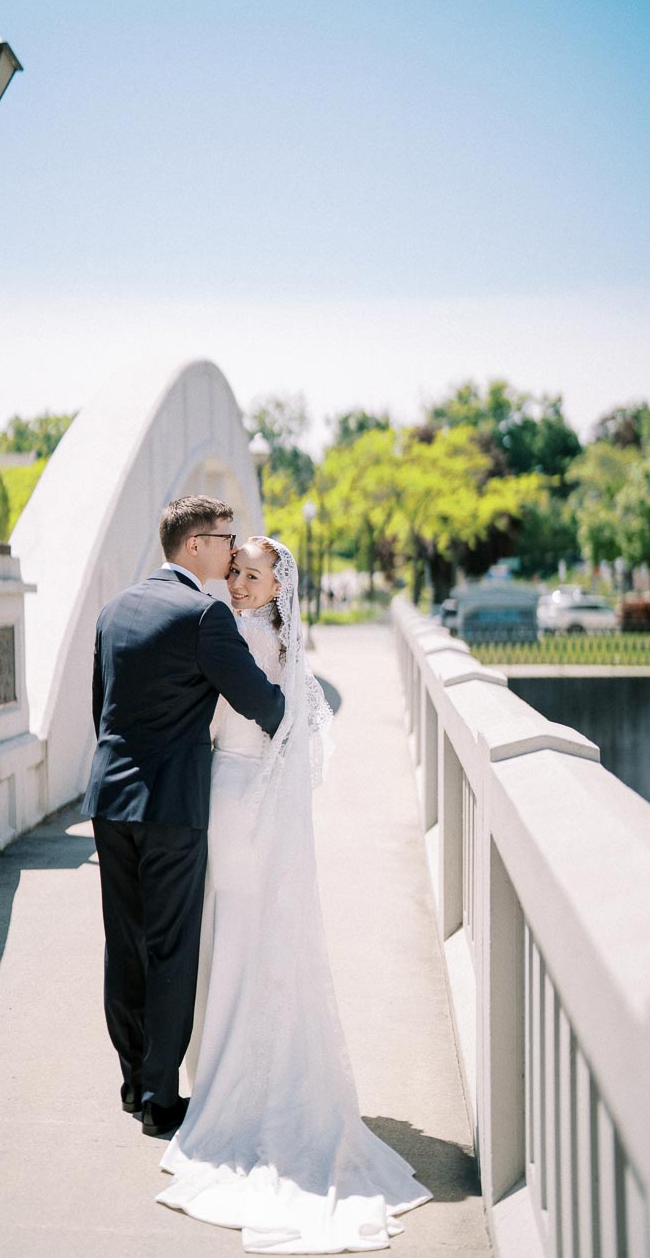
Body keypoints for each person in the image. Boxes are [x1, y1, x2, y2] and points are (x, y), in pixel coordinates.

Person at [156, 537, 432, 1253]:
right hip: (262, 803)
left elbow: (221, 717)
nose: (240, 583)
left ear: (278, 587)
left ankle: (228, 1090)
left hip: (233, 797)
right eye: (237, 572)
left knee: (234, 942)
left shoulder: (238, 633)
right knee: (260, 941)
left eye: (252, 576)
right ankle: (266, 1076)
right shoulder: (283, 637)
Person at [83, 498, 285, 1139]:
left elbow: (101, 709)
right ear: (196, 544)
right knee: (171, 948)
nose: (232, 552)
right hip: (172, 806)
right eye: (226, 540)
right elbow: (260, 702)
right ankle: (160, 1100)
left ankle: (131, 1080)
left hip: (111, 801)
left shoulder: (114, 611)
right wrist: (295, 706)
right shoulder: (205, 616)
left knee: (126, 941)